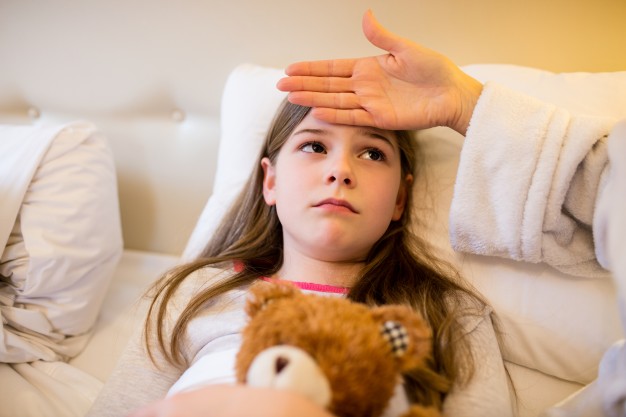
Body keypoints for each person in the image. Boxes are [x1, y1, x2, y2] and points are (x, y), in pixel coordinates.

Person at [101, 8, 625, 417]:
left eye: (373, 153)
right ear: (271, 181)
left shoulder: (446, 316)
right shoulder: (192, 295)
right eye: (313, 147)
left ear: (400, 199)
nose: (340, 171)